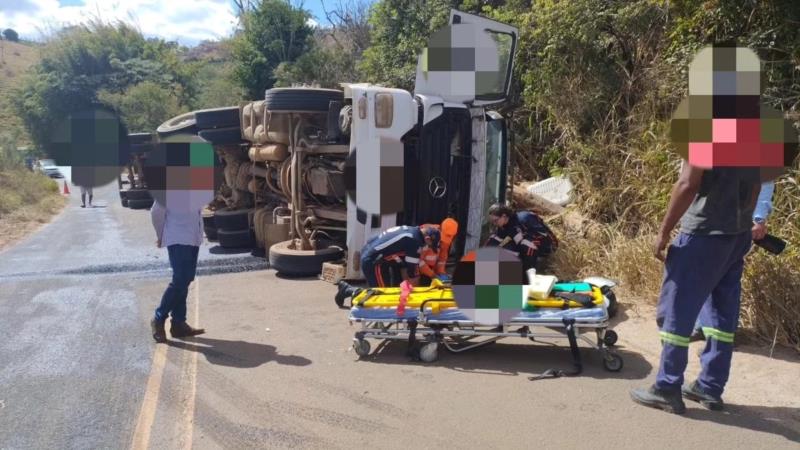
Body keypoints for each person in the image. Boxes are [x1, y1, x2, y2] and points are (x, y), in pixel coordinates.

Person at [630, 162, 761, 414]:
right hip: (737, 234)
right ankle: (710, 386)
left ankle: (667, 386)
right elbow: (757, 184)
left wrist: (664, 232)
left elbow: (688, 184)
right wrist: (742, 221)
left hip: (703, 233)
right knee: (721, 312)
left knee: (675, 310)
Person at [691, 180, 774, 341]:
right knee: (705, 274)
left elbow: (765, 181)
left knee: (725, 279)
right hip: (711, 218)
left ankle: (722, 335)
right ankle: (704, 327)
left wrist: (758, 219)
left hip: (739, 223)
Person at [150, 199, 206, 342]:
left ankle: (178, 323)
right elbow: (156, 211)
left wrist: (200, 234)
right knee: (181, 279)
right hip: (178, 238)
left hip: (192, 237)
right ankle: (159, 317)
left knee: (185, 280)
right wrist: (160, 235)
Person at [360, 224, 441, 288]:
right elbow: (413, 275)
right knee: (380, 294)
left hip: (374, 255)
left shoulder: (412, 231)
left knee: (386, 292)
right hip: (373, 261)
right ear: (427, 239)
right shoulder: (415, 241)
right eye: (429, 245)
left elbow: (406, 266)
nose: (428, 247)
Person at [484, 203, 558, 272]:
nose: (494, 224)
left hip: (546, 243)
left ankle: (529, 273)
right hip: (525, 244)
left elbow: (543, 235)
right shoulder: (504, 226)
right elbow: (494, 240)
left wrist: (522, 238)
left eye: (495, 221)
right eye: (492, 222)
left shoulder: (524, 218)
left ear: (504, 216)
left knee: (526, 243)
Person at [418, 218, 459, 285]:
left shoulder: (447, 240)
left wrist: (441, 272)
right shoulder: (428, 234)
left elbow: (442, 258)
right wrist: (433, 275)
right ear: (440, 229)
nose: (445, 241)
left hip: (429, 271)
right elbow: (419, 261)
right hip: (416, 269)